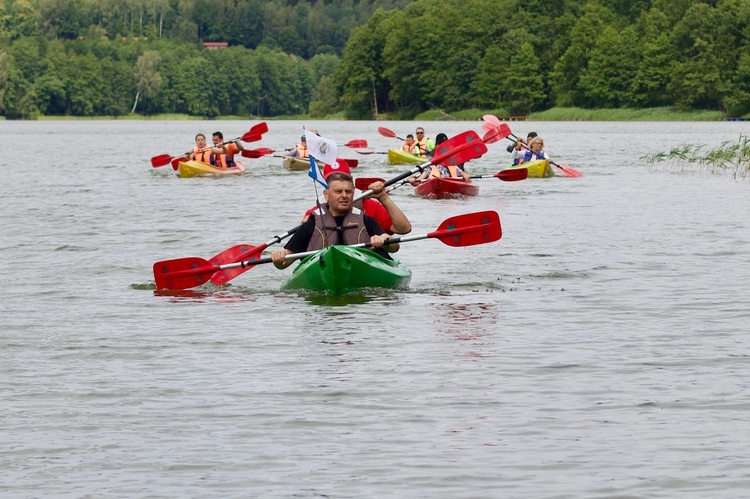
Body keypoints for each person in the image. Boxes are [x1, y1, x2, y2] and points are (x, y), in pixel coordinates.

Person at [271, 171, 399, 269]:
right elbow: (284, 263)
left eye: (348, 192)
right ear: (326, 194)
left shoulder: (366, 220)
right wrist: (279, 257)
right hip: (324, 269)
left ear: (353, 194)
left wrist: (384, 240)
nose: (344, 195)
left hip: (360, 268)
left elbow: (394, 247)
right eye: (338, 191)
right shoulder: (312, 223)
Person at [301, 159, 411, 235]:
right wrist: (305, 226)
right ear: (326, 188)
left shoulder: (370, 206)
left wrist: (383, 198)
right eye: (334, 180)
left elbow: (404, 229)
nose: (343, 194)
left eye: (344, 179)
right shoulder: (314, 214)